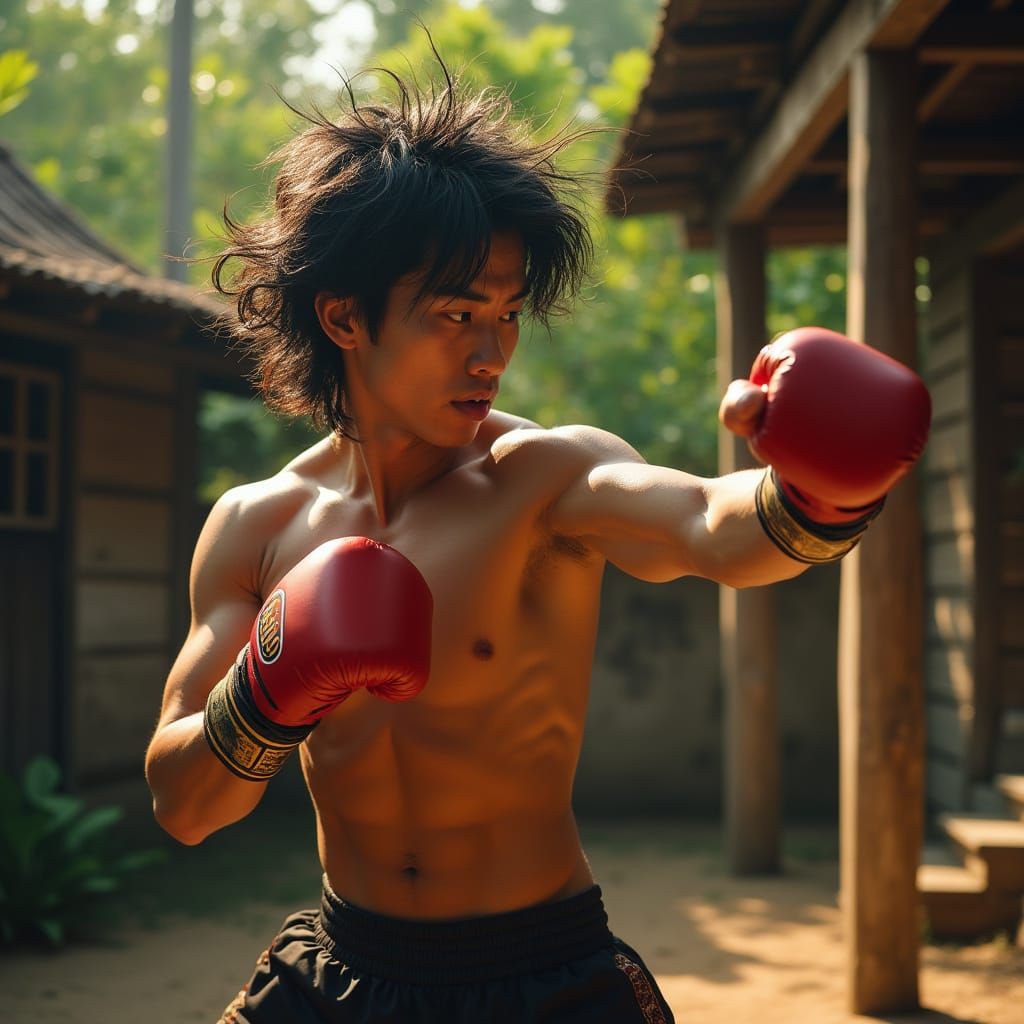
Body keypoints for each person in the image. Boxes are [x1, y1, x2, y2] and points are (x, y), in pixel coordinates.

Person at [143, 54, 931, 1024]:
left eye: (508, 312)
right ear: (343, 315)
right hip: (345, 968)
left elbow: (708, 527)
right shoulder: (254, 527)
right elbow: (183, 804)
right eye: (457, 314)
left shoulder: (543, 482)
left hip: (540, 975)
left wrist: (815, 495)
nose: (494, 352)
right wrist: (269, 686)